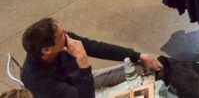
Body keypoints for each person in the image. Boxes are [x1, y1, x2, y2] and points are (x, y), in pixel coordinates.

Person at [20, 18, 162, 97]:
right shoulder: (36, 78)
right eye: (62, 35)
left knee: (139, 69)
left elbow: (97, 48)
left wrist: (138, 56)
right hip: (77, 92)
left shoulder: (64, 41)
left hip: (81, 78)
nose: (67, 36)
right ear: (46, 50)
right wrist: (83, 62)